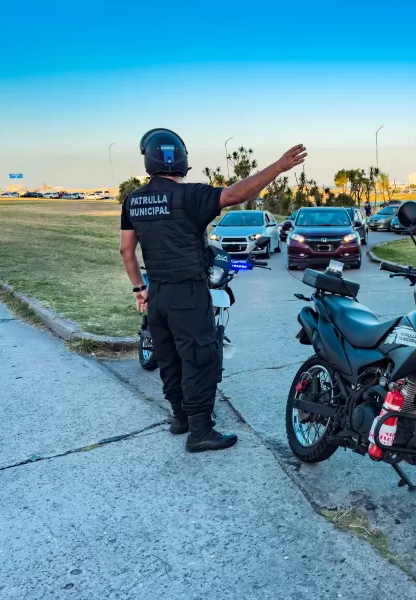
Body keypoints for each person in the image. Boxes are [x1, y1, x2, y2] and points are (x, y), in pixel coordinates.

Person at [120, 128, 306, 452]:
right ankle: (200, 432)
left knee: (170, 359)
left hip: (158, 293)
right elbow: (234, 194)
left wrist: (140, 288)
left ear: (148, 162)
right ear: (181, 161)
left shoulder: (134, 201)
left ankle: (179, 419)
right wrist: (278, 166)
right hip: (188, 294)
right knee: (199, 359)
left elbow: (126, 250)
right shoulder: (190, 196)